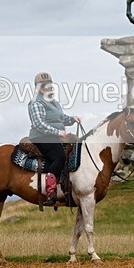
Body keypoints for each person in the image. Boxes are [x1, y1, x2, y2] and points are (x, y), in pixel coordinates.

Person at [28, 72, 82, 205]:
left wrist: (72, 119)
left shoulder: (54, 103)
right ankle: (50, 192)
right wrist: (58, 132)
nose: (49, 87)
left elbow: (61, 118)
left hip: (54, 136)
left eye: (50, 85)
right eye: (45, 85)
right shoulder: (36, 102)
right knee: (59, 157)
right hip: (42, 137)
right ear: (38, 88)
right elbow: (38, 124)